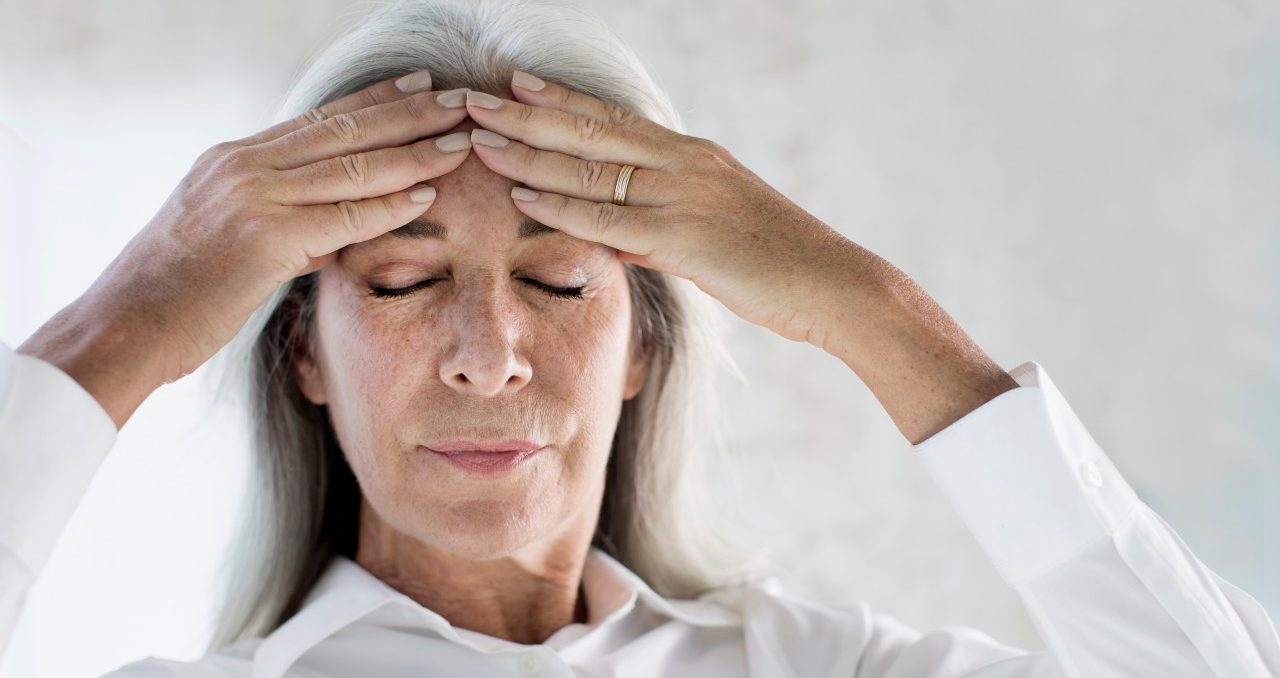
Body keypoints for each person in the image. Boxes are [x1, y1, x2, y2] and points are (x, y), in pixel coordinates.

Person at [2, 0, 1276, 675]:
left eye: (559, 282)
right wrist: (116, 330)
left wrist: (869, 308)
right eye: (397, 283)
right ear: (300, 355)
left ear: (643, 351)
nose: (487, 352)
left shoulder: (817, 672)